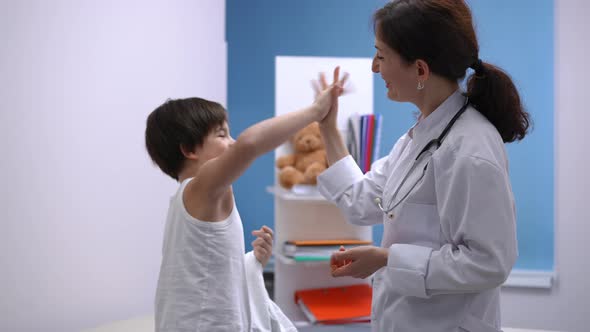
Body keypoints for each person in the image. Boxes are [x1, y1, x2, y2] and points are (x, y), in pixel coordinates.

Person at [315, 1, 531, 331]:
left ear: (419, 70)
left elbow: (490, 263)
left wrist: (388, 259)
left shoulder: (470, 149)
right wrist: (328, 127)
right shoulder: (421, 138)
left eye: (381, 55)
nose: (375, 68)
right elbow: (362, 202)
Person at [145, 68, 344, 332]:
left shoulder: (187, 200)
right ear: (189, 150)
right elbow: (249, 144)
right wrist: (315, 112)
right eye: (222, 134)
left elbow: (201, 271)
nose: (232, 141)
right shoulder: (201, 189)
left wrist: (251, 262)